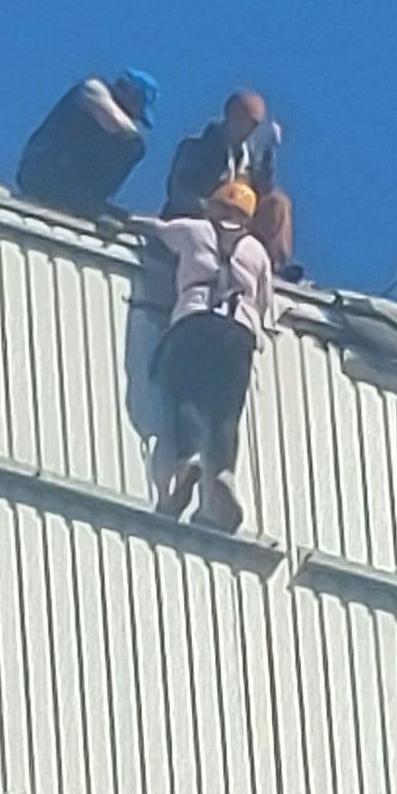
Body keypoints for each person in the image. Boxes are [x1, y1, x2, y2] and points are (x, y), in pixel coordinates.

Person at [133, 178, 278, 531]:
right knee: (225, 413)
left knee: (184, 397)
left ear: (213, 206)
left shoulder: (193, 230)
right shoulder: (257, 251)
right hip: (238, 334)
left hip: (193, 322)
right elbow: (264, 304)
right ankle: (223, 476)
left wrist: (124, 222)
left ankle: (187, 463)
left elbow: (154, 230)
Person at [165, 89, 295, 271]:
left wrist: (269, 151)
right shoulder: (196, 149)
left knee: (278, 203)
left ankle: (274, 265)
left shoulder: (252, 160)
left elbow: (264, 191)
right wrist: (208, 208)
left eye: (255, 125)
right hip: (199, 224)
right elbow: (176, 191)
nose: (250, 129)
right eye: (246, 121)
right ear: (231, 115)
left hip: (237, 227)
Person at [16, 69, 159, 216]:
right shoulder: (92, 89)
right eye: (136, 110)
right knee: (134, 146)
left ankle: (92, 203)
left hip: (74, 187)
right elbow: (117, 123)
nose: (134, 118)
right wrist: (131, 136)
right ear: (131, 95)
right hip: (41, 172)